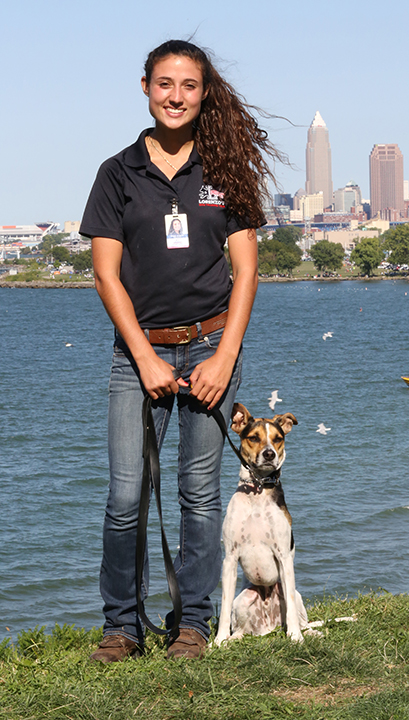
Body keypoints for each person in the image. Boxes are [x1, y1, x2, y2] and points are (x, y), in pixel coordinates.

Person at [80, 39, 282, 663]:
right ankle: (122, 629)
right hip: (137, 356)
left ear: (203, 93)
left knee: (198, 494)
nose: (175, 96)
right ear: (145, 88)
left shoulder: (226, 170)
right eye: (164, 84)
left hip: (212, 347)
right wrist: (143, 356)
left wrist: (223, 359)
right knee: (125, 497)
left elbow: (245, 271)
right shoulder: (117, 173)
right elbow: (107, 275)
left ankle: (192, 625)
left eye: (188, 85)